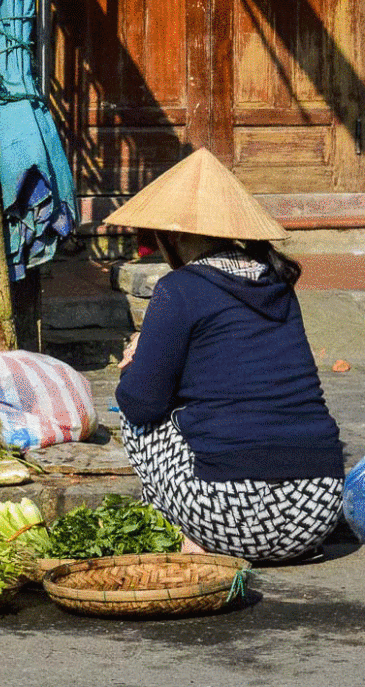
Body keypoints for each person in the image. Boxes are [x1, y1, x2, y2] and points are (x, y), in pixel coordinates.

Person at [105, 148, 344, 563]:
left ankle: (181, 533)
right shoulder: (277, 284)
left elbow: (142, 402)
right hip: (316, 511)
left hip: (233, 518)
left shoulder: (179, 289)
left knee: (135, 417)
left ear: (173, 238)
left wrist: (137, 363)